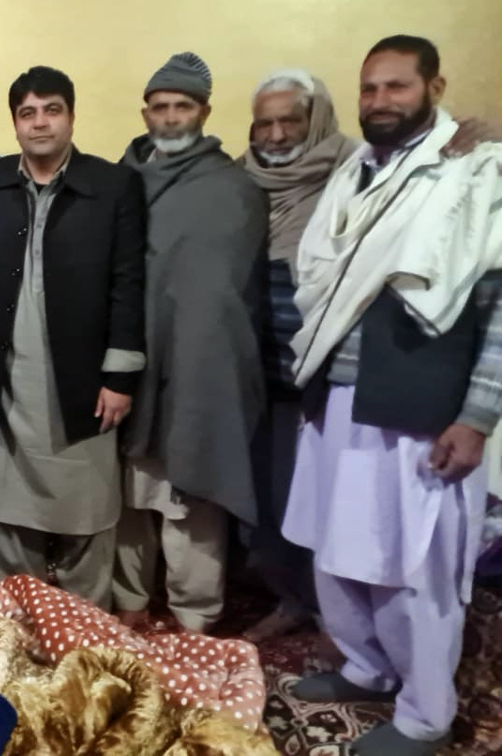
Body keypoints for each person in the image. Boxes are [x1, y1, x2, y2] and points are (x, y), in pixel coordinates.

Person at [283, 35, 502, 756]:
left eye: (396, 87)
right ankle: (368, 669)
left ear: (434, 88)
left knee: (414, 569)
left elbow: (497, 309)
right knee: (336, 554)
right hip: (338, 399)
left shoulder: (474, 173)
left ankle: (425, 714)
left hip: (418, 407)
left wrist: (475, 417)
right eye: (370, 88)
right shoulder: (356, 172)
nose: (380, 101)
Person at [0, 66, 146, 607]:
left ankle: (83, 632)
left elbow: (128, 281)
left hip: (82, 382)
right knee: (5, 509)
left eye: (52, 110)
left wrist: (119, 376)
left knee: (88, 512)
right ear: (14, 123)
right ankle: (19, 624)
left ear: (71, 116)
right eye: (27, 113)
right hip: (4, 378)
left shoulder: (112, 185)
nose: (40, 123)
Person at [115, 52, 269, 633]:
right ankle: (128, 599)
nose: (172, 117)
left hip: (201, 371)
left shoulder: (233, 190)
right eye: (161, 106)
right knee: (129, 491)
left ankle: (194, 614)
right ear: (146, 112)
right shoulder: (117, 181)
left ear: (204, 111)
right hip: (131, 364)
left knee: (193, 492)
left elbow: (236, 295)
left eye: (183, 106)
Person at [237, 69, 358, 642]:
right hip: (262, 373)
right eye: (266, 121)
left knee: (337, 502)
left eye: (291, 120)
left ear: (316, 122)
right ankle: (292, 599)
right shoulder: (241, 180)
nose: (278, 134)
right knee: (275, 493)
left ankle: (348, 619)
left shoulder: (356, 174)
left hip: (334, 378)